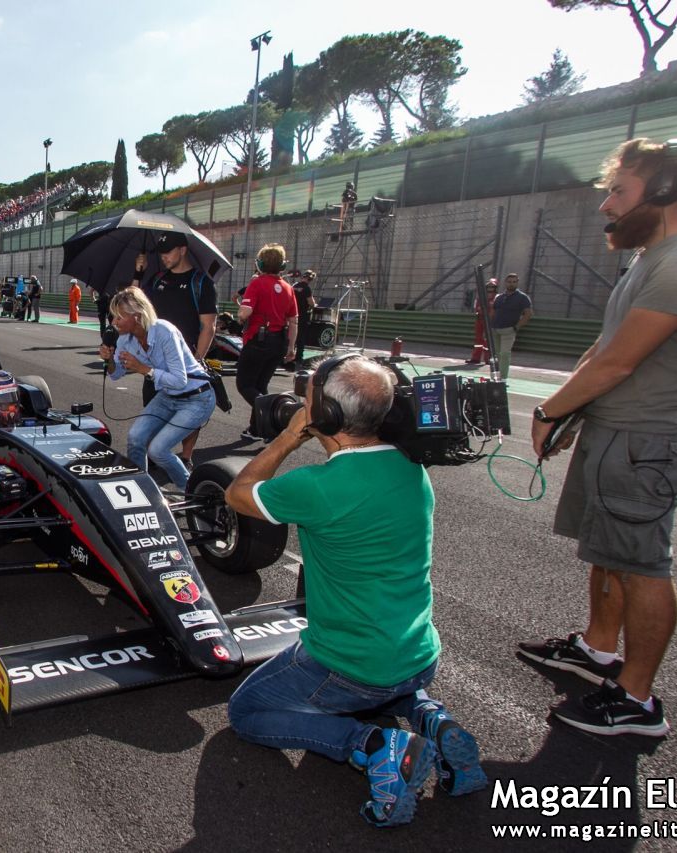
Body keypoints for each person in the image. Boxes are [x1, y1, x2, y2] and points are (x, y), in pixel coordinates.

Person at [520, 135, 677, 737]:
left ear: (665, 191)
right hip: (614, 431)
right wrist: (570, 411)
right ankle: (596, 649)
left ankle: (637, 700)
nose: (606, 204)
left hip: (646, 443)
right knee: (608, 553)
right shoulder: (653, 256)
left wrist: (546, 410)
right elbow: (605, 349)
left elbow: (619, 364)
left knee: (643, 566)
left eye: (619, 190)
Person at [224, 354, 486, 828]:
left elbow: (238, 492)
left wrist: (288, 436)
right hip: (418, 655)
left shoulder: (318, 487)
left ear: (324, 415)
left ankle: (374, 748)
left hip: (353, 665)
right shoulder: (412, 470)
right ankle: (432, 719)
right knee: (387, 682)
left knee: (246, 712)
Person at [98, 288, 214, 491]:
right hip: (168, 395)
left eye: (118, 317)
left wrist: (143, 369)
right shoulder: (125, 339)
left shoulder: (164, 331)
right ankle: (142, 489)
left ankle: (190, 491)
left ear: (137, 315)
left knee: (158, 450)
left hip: (197, 398)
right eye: (112, 317)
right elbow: (115, 374)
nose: (113, 322)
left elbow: (179, 380)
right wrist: (109, 361)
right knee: (135, 438)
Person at [134, 230, 218, 467]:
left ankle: (186, 456)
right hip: (155, 361)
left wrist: (197, 361)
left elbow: (208, 326)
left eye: (168, 252)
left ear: (182, 250)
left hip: (186, 360)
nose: (163, 257)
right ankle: (155, 455)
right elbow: (133, 302)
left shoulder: (201, 282)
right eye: (160, 253)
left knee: (188, 411)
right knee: (152, 408)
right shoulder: (158, 279)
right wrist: (138, 272)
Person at [237, 244, 298, 440]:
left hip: (258, 340)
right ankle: (257, 429)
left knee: (245, 385)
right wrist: (291, 347)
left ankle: (275, 412)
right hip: (279, 341)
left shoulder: (257, 283)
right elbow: (293, 321)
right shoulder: (289, 288)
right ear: (282, 265)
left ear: (261, 263)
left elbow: (245, 312)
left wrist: (240, 316)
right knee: (261, 385)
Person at [489, 272, 531, 380]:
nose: (511, 284)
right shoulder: (499, 297)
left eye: (514, 282)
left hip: (509, 329)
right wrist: (488, 327)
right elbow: (493, 312)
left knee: (505, 354)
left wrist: (516, 327)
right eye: (509, 282)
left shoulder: (522, 298)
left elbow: (528, 314)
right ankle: (494, 376)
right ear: (505, 283)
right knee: (495, 355)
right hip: (495, 329)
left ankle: (503, 378)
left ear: (517, 283)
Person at [285, 269, 316, 369]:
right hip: (302, 315)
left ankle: (289, 357)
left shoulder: (294, 286)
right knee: (301, 337)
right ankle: (299, 358)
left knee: (291, 337)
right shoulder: (307, 288)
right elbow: (311, 303)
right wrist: (314, 305)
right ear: (310, 279)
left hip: (292, 314)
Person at [465, 278, 499, 365]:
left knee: (488, 340)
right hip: (479, 319)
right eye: (489, 286)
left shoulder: (497, 298)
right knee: (478, 339)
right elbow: (476, 307)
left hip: (490, 321)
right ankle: (476, 358)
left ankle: (488, 359)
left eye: (492, 286)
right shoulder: (481, 297)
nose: (490, 289)